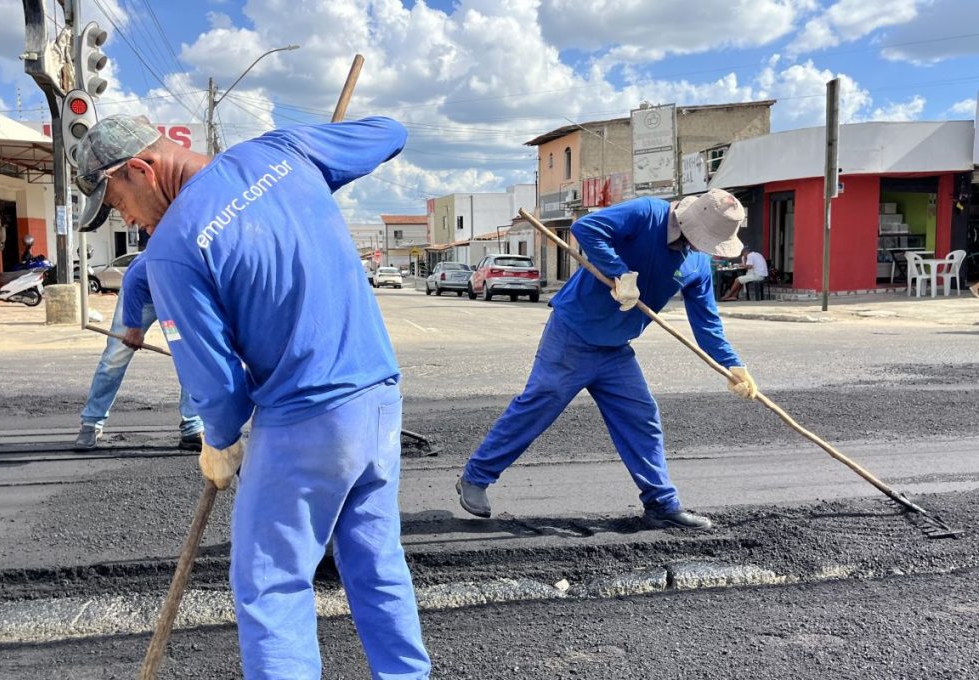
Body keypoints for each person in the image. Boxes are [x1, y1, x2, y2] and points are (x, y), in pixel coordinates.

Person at [72, 114, 430, 679]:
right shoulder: (281, 152)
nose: (129, 220)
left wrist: (219, 442)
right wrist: (310, 173)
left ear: (141, 169)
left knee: (272, 584)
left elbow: (217, 387)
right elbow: (391, 131)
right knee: (375, 562)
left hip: (304, 420)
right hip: (378, 399)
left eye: (118, 204)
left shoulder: (174, 247)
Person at [456, 189, 758, 530]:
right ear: (690, 220)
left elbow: (706, 322)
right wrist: (619, 272)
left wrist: (732, 365)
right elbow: (586, 228)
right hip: (573, 333)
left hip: (616, 348)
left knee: (641, 417)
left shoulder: (698, 261)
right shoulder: (647, 213)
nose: (701, 248)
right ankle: (476, 477)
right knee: (540, 403)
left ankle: (661, 504)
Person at [73, 249, 204, 451]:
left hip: (177, 304)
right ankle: (92, 421)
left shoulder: (218, 270)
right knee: (115, 358)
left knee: (193, 359)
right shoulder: (168, 258)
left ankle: (192, 427)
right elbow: (134, 280)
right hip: (141, 294)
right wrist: (133, 327)